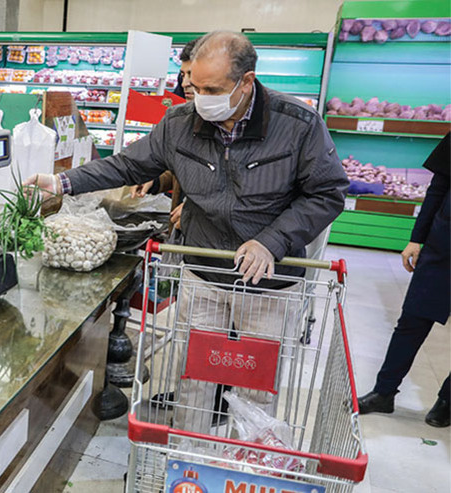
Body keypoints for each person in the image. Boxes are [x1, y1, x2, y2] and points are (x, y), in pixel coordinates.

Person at [27, 31, 348, 425]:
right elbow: (128, 164)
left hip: (269, 283)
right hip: (203, 269)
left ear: (246, 81)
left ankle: (237, 469)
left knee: (255, 386)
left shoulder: (296, 124)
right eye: (195, 87)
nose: (201, 99)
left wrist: (272, 242)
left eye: (212, 89)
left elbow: (328, 193)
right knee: (194, 377)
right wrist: (63, 182)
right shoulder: (179, 122)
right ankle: (187, 465)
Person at [357, 133, 450, 428]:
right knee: (411, 322)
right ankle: (384, 392)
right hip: (443, 247)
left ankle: (447, 400)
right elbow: (438, 189)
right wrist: (416, 239)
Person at [131, 37, 202, 230]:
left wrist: (198, 208)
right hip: (180, 229)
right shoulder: (184, 117)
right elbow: (179, 170)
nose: (185, 82)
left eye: (191, 74)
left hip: (216, 241)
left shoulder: (233, 124)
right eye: (182, 75)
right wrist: (154, 181)